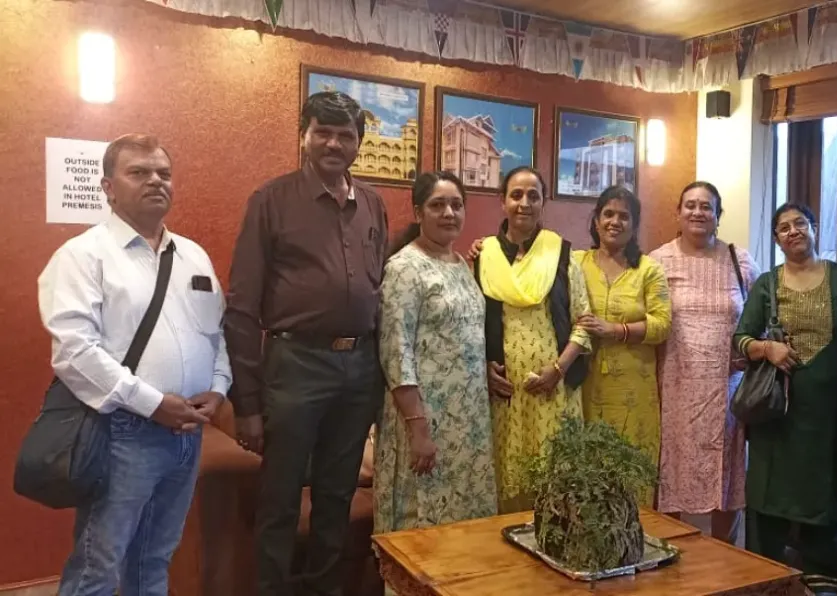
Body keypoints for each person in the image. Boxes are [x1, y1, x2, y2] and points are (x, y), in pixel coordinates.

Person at [41, 134, 230, 595]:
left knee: (154, 558)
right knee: (98, 566)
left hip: (186, 434)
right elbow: (74, 353)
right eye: (139, 172)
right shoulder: (82, 256)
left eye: (163, 174)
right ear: (108, 186)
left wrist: (220, 386)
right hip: (123, 432)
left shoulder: (193, 255)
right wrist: (150, 403)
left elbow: (217, 333)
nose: (155, 181)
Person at [225, 91, 388, 596]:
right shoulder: (271, 201)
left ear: (359, 143)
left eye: (345, 135)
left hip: (359, 368)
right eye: (323, 132)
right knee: (279, 499)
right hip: (295, 366)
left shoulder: (374, 205)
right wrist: (247, 404)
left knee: (336, 498)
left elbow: (378, 291)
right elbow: (241, 306)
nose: (334, 143)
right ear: (305, 136)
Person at [374, 172, 497, 555]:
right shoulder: (404, 268)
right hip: (424, 420)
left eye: (456, 205)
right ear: (417, 211)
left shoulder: (461, 264)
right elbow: (396, 351)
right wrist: (418, 428)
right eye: (437, 205)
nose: (448, 213)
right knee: (421, 532)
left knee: (467, 532)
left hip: (469, 423)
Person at [735, 204, 837, 595]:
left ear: (814, 228)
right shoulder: (768, 284)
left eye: (800, 223)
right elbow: (740, 339)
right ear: (776, 239)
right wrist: (767, 348)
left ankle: (823, 578)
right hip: (777, 413)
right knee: (770, 492)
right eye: (783, 227)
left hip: (828, 412)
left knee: (825, 488)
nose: (793, 231)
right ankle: (766, 576)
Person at [474, 166, 593, 514]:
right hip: (504, 393)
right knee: (508, 486)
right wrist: (484, 368)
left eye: (533, 196)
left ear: (543, 203)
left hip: (554, 390)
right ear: (502, 202)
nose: (524, 203)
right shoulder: (485, 256)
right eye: (515, 195)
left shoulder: (563, 255)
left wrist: (558, 368)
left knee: (556, 484)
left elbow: (583, 323)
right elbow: (469, 321)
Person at [649, 181, 757, 543]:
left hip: (728, 389)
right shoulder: (658, 261)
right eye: (690, 205)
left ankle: (727, 559)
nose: (698, 212)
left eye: (706, 207)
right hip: (676, 387)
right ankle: (675, 561)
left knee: (726, 476)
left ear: (718, 216)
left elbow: (760, 315)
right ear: (677, 213)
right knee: (674, 475)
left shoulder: (738, 260)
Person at [574, 186, 672, 505]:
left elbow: (661, 325)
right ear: (596, 220)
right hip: (584, 389)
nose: (615, 222)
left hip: (635, 391)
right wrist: (484, 247)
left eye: (624, 216)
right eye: (608, 214)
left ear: (635, 224)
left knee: (631, 480)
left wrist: (615, 330)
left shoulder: (648, 270)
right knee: (588, 476)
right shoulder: (575, 262)